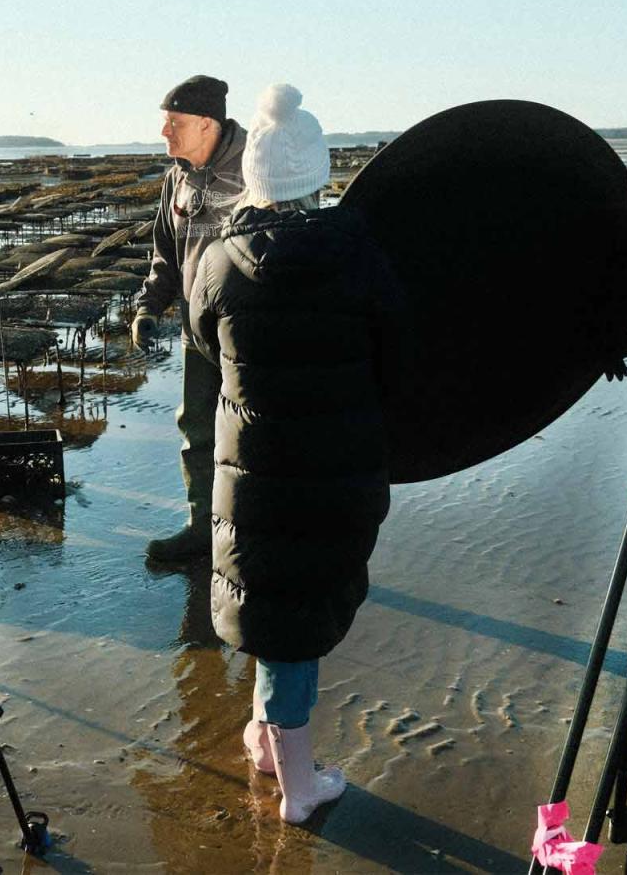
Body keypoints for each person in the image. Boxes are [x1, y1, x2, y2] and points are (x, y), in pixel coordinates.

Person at [186, 84, 402, 823]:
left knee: (267, 600)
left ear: (254, 178)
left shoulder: (218, 262)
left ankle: (262, 736)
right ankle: (300, 789)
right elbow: (399, 348)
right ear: (319, 174)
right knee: (297, 623)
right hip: (334, 469)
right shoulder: (360, 255)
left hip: (249, 470)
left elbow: (200, 342)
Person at [131, 75, 248, 563]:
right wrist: (147, 307)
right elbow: (166, 253)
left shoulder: (255, 168)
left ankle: (248, 534)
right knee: (197, 430)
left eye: (174, 122)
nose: (165, 132)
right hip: (194, 335)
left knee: (249, 437)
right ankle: (202, 528)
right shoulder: (176, 178)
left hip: (245, 338)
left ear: (207, 124)